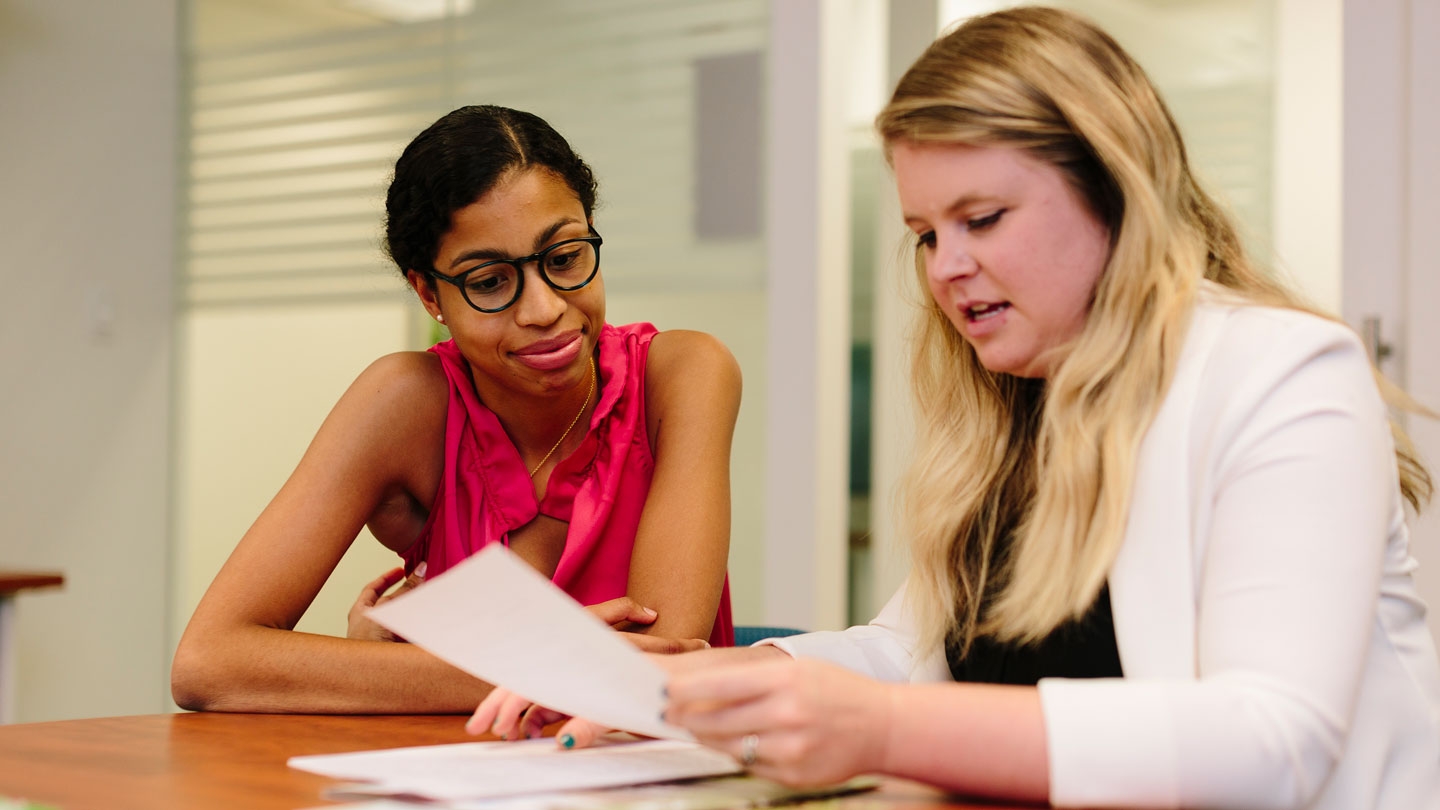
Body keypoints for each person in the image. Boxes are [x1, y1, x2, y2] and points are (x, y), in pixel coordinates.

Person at [474, 8, 1440, 807]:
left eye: (981, 220)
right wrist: (678, 684)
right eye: (925, 234)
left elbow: (1272, 742)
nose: (947, 269)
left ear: (1117, 192)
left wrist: (881, 730)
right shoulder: (1018, 405)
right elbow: (907, 654)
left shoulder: (1283, 373)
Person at [171, 105, 739, 714]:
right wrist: (546, 666)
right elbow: (209, 662)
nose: (544, 308)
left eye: (565, 257)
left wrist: (402, 665)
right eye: (489, 281)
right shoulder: (406, 403)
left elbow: (653, 676)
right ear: (429, 294)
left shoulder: (682, 374)